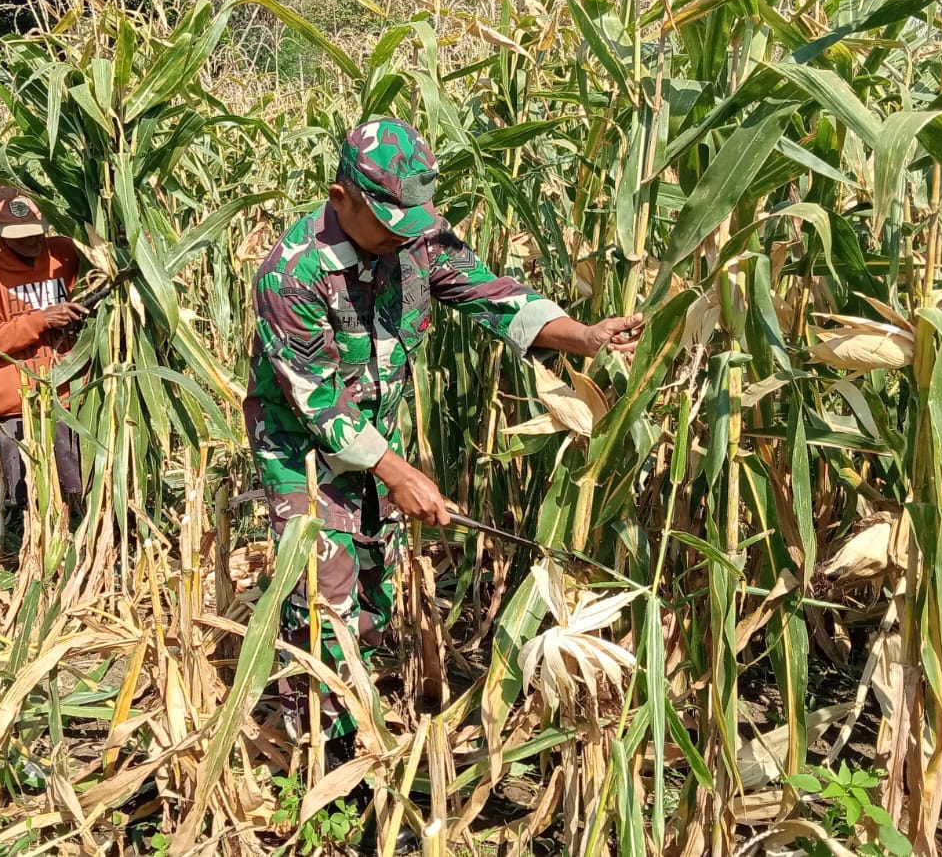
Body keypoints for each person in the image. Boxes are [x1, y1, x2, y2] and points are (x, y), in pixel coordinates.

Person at [244, 119, 644, 750]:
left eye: (411, 224)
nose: (402, 241)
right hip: (302, 450)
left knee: (374, 574)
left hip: (379, 439)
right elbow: (317, 403)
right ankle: (323, 753)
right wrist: (401, 475)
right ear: (338, 197)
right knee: (322, 596)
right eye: (387, 224)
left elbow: (494, 297)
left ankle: (363, 709)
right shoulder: (291, 276)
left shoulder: (414, 238)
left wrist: (583, 335)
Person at [0, 183, 89, 524]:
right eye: (20, 236)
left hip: (70, 393)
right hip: (19, 402)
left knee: (83, 489)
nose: (33, 241)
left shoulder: (65, 252)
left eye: (37, 232)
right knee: (33, 503)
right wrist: (42, 319)